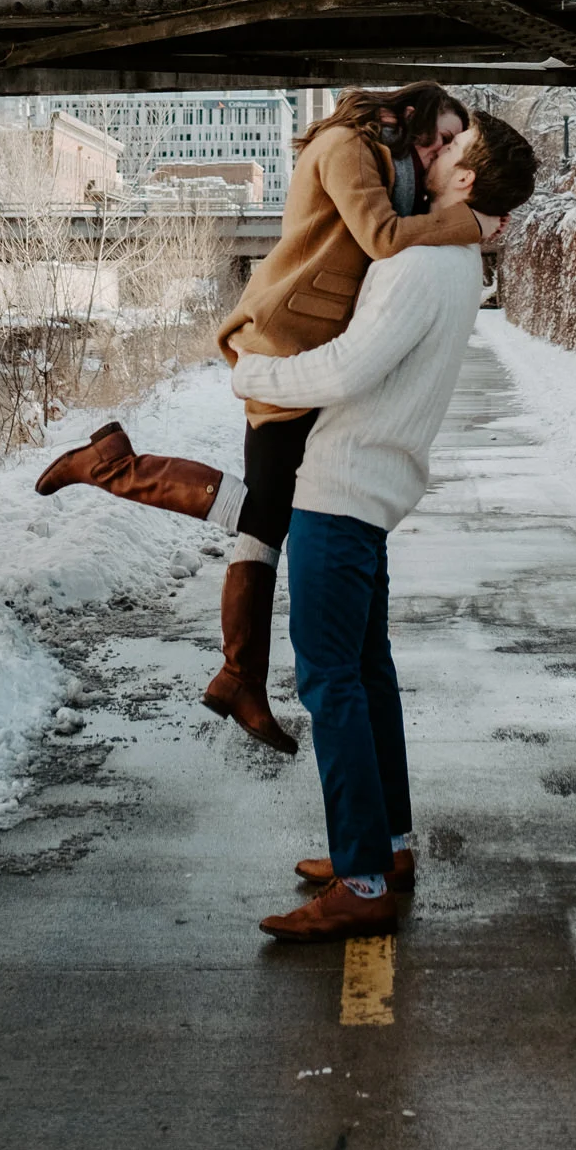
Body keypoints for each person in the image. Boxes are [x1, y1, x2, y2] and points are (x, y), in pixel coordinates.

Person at [33, 86, 490, 754]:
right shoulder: (345, 147)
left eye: (450, 145)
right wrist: (471, 223)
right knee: (269, 512)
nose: (439, 152)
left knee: (268, 515)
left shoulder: (391, 165)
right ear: (406, 116)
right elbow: (382, 238)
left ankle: (238, 675)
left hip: (314, 345)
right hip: (286, 341)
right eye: (436, 138)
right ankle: (114, 469)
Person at [241, 109, 538, 943]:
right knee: (365, 676)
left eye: (451, 149)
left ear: (467, 180)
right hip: (372, 486)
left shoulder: (421, 261)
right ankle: (387, 847)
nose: (434, 153)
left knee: (330, 683)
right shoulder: (456, 259)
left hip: (341, 487)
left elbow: (347, 366)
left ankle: (362, 883)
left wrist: (251, 371)